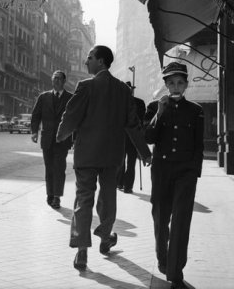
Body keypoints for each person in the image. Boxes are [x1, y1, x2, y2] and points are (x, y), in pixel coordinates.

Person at [56, 45, 152, 271]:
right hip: (111, 156)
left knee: (83, 199)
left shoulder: (86, 86)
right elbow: (133, 124)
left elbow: (71, 115)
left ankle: (81, 252)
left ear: (100, 61)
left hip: (86, 154)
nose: (85, 62)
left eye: (89, 58)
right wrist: (145, 152)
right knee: (108, 198)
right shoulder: (122, 90)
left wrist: (60, 135)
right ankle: (105, 238)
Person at [144, 61, 204, 289]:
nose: (176, 87)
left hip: (186, 173)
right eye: (171, 83)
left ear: (186, 84)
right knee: (161, 217)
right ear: (166, 85)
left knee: (181, 219)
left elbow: (198, 146)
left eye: (180, 83)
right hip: (162, 171)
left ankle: (176, 269)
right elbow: (148, 137)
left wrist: (195, 173)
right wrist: (159, 114)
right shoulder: (154, 107)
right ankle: (162, 257)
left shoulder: (196, 111)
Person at [30, 70, 72, 210]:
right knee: (49, 169)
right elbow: (36, 115)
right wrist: (34, 132)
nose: (56, 81)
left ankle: (57, 197)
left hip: (62, 140)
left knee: (59, 168)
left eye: (59, 79)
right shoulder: (44, 97)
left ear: (64, 81)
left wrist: (73, 136)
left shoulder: (70, 98)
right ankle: (50, 193)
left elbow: (74, 119)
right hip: (47, 139)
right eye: (54, 79)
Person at [117, 81, 146, 193]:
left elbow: (142, 120)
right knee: (121, 161)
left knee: (131, 162)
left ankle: (127, 185)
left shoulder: (139, 103)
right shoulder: (119, 103)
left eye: (130, 89)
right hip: (122, 136)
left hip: (133, 136)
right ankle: (121, 183)